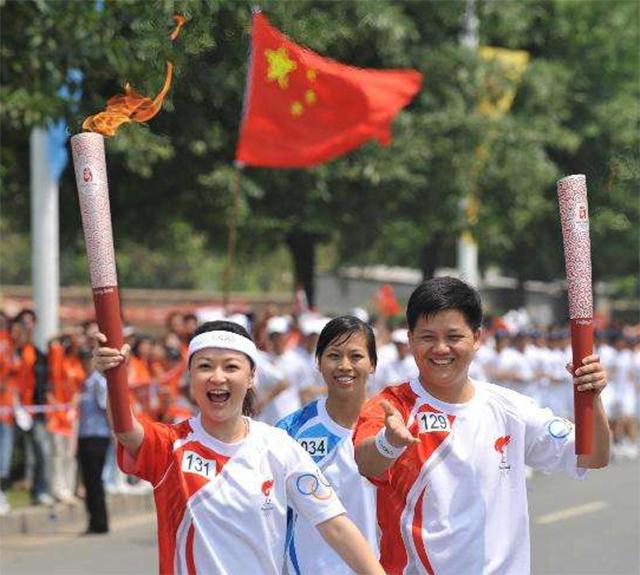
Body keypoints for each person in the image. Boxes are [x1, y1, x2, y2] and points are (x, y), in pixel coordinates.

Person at [353, 276, 610, 575]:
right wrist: (390, 442)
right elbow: (366, 462)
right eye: (427, 337)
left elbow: (592, 457)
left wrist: (593, 399)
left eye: (453, 336)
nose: (440, 348)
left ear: (477, 339)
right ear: (410, 340)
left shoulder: (509, 409)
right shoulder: (392, 407)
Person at [93, 320, 383, 575]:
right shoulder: (172, 446)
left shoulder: (278, 446)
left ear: (251, 376)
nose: (217, 377)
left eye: (231, 367)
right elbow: (125, 428)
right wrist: (113, 378)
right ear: (190, 375)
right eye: (205, 366)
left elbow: (334, 524)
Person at [277, 316, 380, 574]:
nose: (345, 366)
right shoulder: (290, 432)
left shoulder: (393, 428)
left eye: (356, 356)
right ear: (318, 363)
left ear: (373, 364)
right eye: (334, 355)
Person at [77, 347, 111, 534]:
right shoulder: (85, 382)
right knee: (90, 481)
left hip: (97, 435)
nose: (84, 363)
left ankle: (100, 522)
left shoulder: (98, 383)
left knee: (95, 480)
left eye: (87, 360)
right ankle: (94, 520)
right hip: (86, 434)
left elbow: (105, 406)